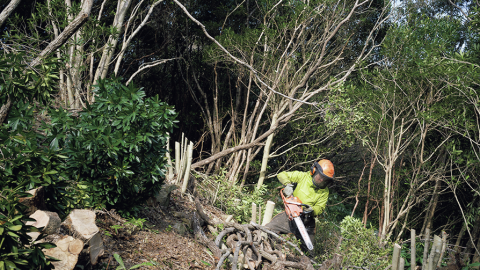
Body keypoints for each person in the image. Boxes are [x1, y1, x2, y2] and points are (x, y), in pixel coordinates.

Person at [265, 159, 335, 254]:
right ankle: (276, 252)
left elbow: (320, 207)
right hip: (291, 215)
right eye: (320, 176)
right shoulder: (303, 177)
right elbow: (281, 175)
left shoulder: (325, 191)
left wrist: (312, 210)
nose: (321, 180)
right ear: (314, 171)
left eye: (325, 179)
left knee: (309, 251)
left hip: (307, 221)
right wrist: (288, 185)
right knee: (269, 228)